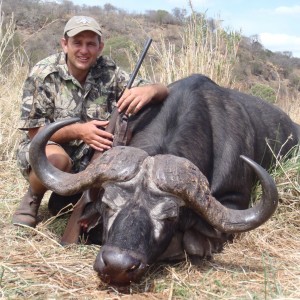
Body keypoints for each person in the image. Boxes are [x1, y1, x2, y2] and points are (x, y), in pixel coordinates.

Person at [12, 16, 169, 227]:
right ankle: (32, 198)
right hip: (50, 148)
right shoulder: (43, 73)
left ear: (100, 47)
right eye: (77, 42)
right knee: (57, 161)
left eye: (90, 44)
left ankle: (83, 204)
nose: (84, 50)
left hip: (94, 155)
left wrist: (150, 90)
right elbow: (35, 133)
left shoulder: (109, 71)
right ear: (64, 44)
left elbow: (163, 90)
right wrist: (79, 131)